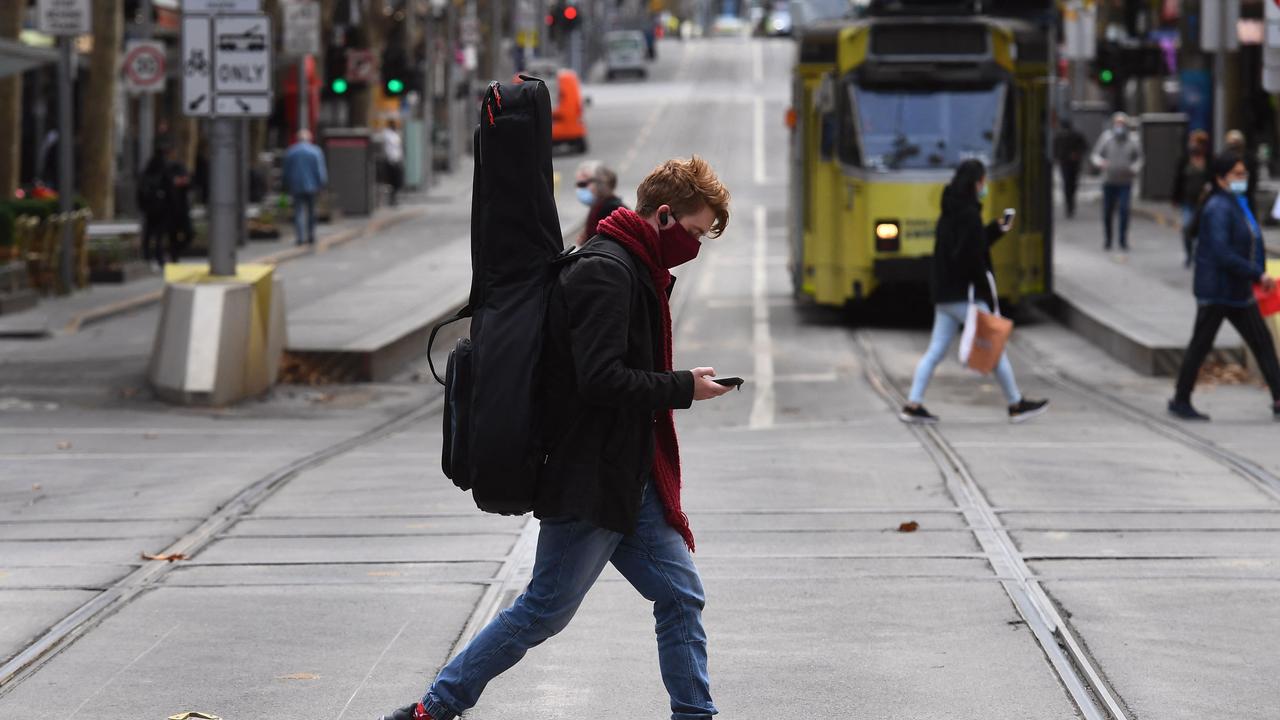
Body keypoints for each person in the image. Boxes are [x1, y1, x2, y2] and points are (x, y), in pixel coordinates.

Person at [378, 157, 734, 720]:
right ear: (664, 216)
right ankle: (433, 709)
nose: (694, 246)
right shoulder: (607, 272)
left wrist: (679, 385)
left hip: (629, 475)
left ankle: (696, 715)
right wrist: (682, 387)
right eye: (693, 232)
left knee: (680, 596)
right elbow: (600, 379)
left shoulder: (636, 267)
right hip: (590, 478)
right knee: (543, 610)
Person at [899, 159, 1049, 425]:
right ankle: (1016, 404)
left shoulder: (950, 211)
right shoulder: (968, 214)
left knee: (935, 351)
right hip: (965, 295)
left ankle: (913, 404)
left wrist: (995, 229)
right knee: (995, 345)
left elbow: (969, 244)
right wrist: (984, 288)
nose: (985, 186)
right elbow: (970, 255)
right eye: (983, 181)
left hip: (945, 295)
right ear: (975, 183)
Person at [1169, 152, 1280, 421]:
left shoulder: (1237, 203)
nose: (1243, 179)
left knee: (1262, 342)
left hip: (1237, 291)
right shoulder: (1218, 207)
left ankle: (1279, 398)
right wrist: (1257, 274)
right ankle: (1181, 399)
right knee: (1201, 344)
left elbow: (1252, 242)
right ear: (1221, 179)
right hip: (1217, 291)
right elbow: (1222, 252)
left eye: (1244, 173)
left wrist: (1257, 273)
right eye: (1237, 174)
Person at [1090, 112, 1143, 254]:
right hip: (1109, 181)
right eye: (1117, 123)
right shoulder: (1106, 138)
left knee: (1124, 210)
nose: (1119, 126)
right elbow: (1095, 155)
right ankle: (1108, 239)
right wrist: (1101, 163)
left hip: (1125, 182)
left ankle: (1122, 240)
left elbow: (1139, 159)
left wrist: (1134, 168)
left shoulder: (1133, 140)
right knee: (1108, 212)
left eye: (1122, 123)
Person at [1171, 129, 1211, 268]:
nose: (1194, 145)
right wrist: (1175, 198)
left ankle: (1199, 254)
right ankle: (1189, 254)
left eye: (1197, 143)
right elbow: (1178, 180)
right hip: (1187, 201)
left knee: (1202, 230)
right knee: (1187, 227)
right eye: (1192, 142)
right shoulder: (1184, 159)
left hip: (1204, 203)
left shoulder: (1209, 160)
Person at [282, 129, 327, 246]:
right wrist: (322, 184)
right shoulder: (316, 152)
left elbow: (286, 171)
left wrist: (285, 183)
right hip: (312, 186)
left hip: (296, 185)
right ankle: (311, 236)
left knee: (299, 211)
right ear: (309, 139)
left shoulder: (291, 152)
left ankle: (300, 238)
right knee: (312, 212)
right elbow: (320, 170)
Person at [575, 160, 626, 247]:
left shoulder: (612, 211)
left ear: (601, 183)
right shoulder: (598, 206)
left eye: (583, 184)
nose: (580, 189)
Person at [1053, 119, 1088, 218]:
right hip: (1065, 164)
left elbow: (1084, 146)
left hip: (1073, 164)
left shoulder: (1075, 135)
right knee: (1068, 184)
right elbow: (1055, 149)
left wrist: (1077, 154)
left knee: (1071, 185)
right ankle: (1069, 205)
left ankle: (1070, 204)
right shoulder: (1060, 136)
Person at [1224, 129, 1258, 215]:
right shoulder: (1224, 158)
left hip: (1246, 196)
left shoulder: (1248, 158)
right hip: (1229, 197)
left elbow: (1253, 178)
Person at [380, 118, 405, 206]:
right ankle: (391, 199)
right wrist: (389, 159)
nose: (395, 126)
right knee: (391, 181)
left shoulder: (396, 134)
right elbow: (387, 148)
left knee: (397, 181)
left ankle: (394, 198)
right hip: (390, 161)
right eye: (393, 125)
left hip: (397, 160)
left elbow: (398, 148)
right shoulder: (386, 134)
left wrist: (400, 159)